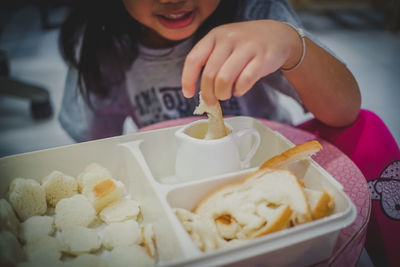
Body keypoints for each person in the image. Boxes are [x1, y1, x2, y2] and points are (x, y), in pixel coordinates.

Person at [58, 0, 399, 266]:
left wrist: (290, 45)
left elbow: (346, 112)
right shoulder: (101, 42)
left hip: (269, 152)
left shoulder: (257, 10)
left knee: (369, 128)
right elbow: (97, 153)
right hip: (167, 178)